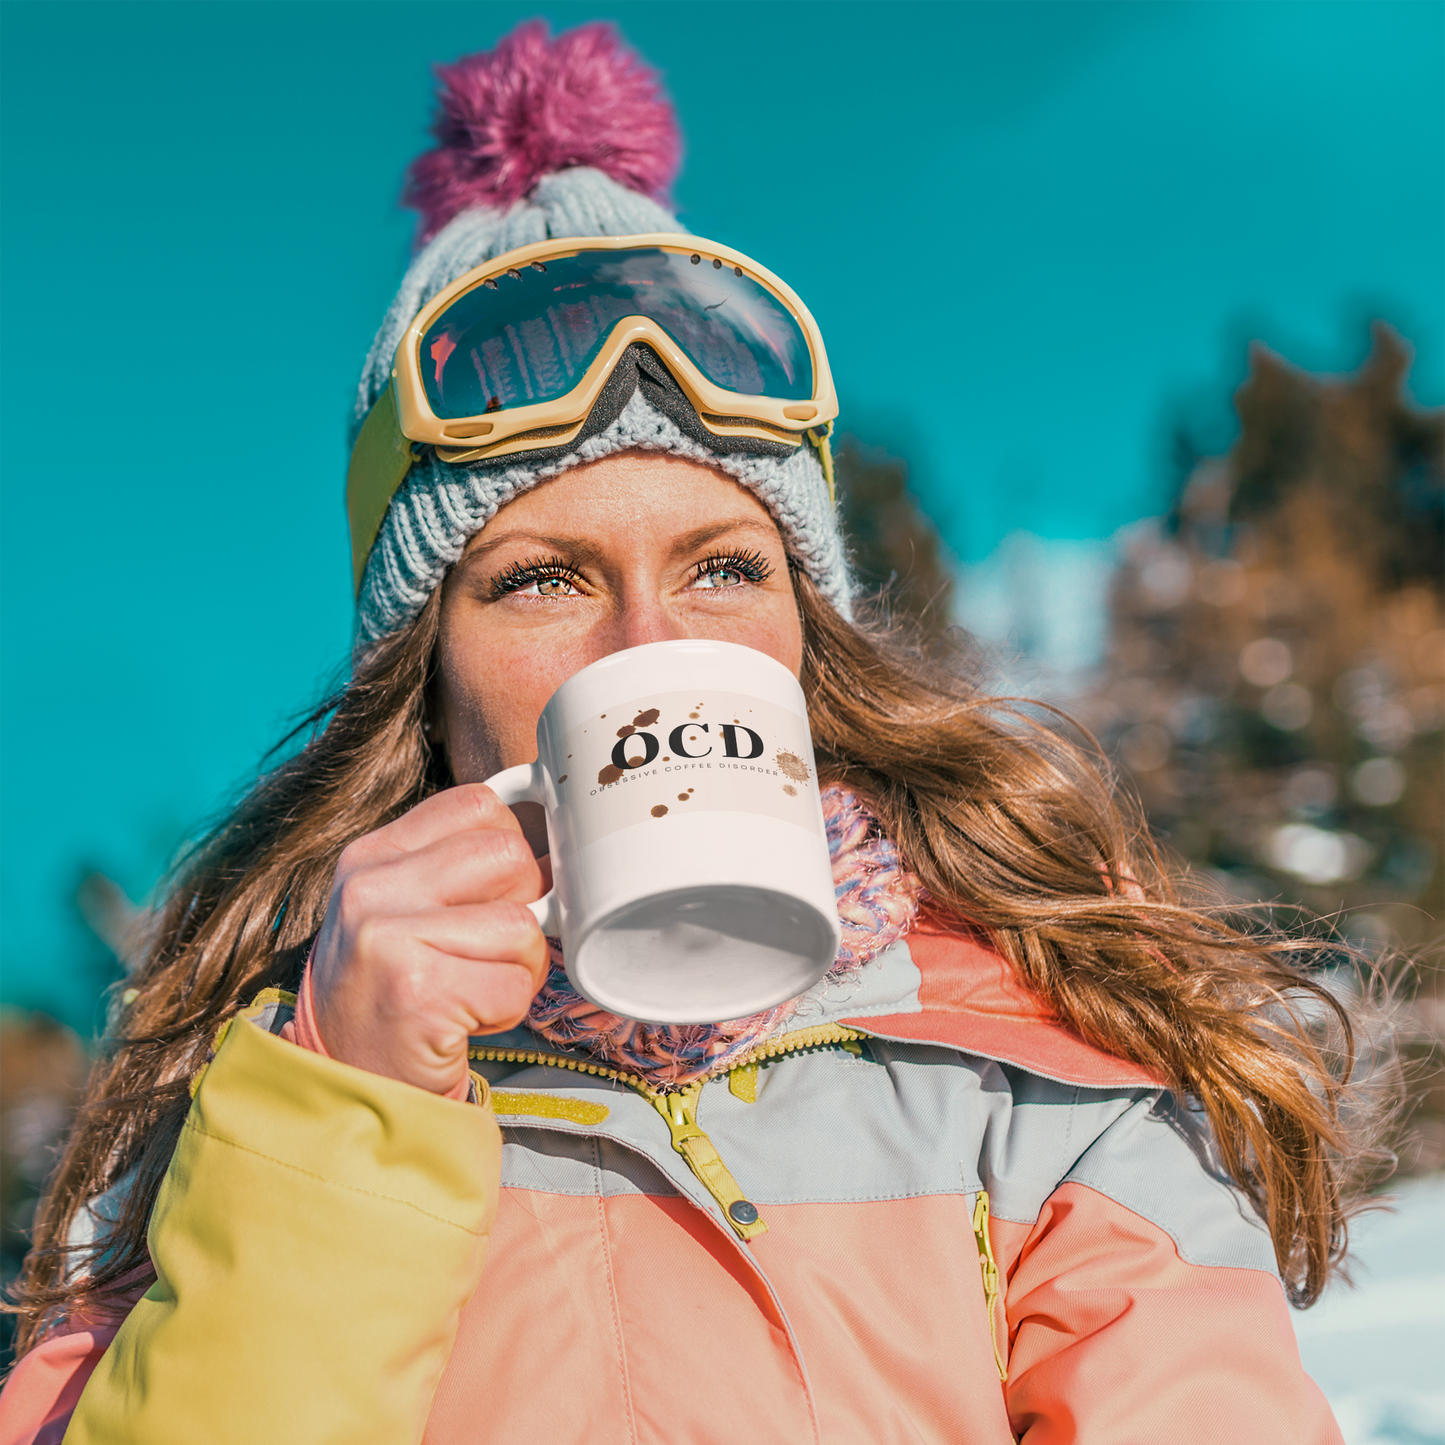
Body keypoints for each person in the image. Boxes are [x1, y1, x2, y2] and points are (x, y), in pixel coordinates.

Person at [0, 21, 1380, 1445]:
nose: (652, 651)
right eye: (540, 580)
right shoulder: (235, 1127)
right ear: (422, 677)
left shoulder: (1038, 1074)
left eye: (723, 567)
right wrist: (345, 1113)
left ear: (806, 636)